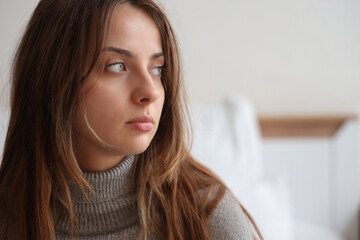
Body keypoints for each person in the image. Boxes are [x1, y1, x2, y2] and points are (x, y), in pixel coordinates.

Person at [0, 0, 263, 239]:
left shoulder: (207, 217)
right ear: (53, 78)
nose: (150, 92)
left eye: (157, 69)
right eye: (117, 66)